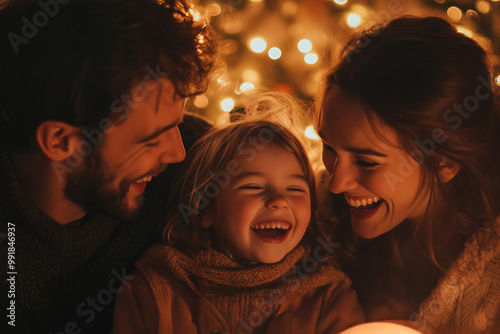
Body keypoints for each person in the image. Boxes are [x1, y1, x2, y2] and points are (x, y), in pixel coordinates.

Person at [0, 0, 217, 332]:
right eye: (152, 138)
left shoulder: (200, 163)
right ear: (60, 141)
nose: (178, 152)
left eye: (176, 123)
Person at [113, 94, 365, 333]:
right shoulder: (153, 293)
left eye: (295, 188)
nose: (279, 201)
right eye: (253, 187)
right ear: (203, 208)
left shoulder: (328, 298)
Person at [315, 16, 500, 333]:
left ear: (443, 163)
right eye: (329, 146)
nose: (336, 183)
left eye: (368, 161)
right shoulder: (314, 208)